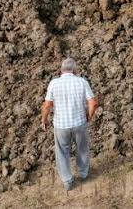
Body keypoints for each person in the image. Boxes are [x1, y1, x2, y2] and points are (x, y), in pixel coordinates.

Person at [41, 57, 98, 191]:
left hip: (61, 125)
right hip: (79, 123)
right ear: (74, 70)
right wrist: (89, 116)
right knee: (82, 148)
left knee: (62, 152)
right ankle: (83, 174)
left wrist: (44, 120)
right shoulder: (82, 82)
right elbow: (93, 103)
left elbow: (47, 105)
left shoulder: (54, 83)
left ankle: (67, 180)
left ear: (61, 70)